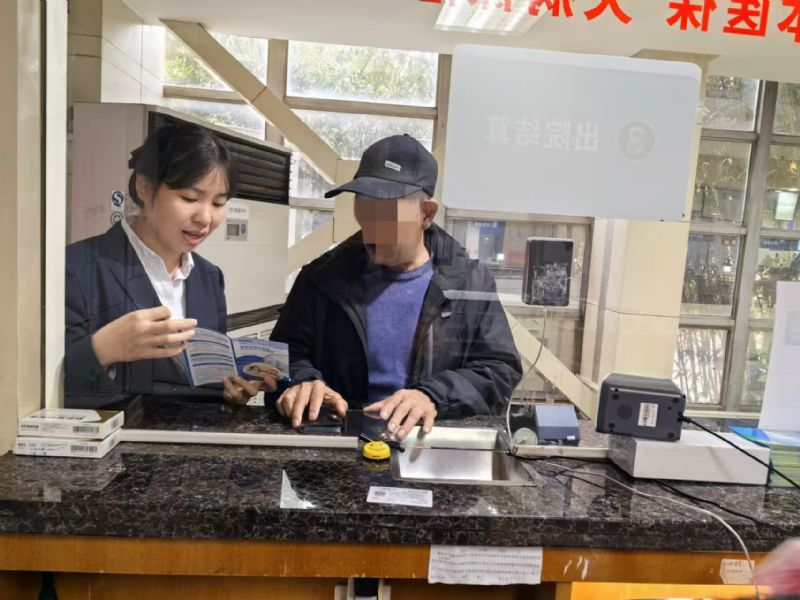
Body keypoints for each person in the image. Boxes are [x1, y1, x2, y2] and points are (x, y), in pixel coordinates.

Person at [270, 134, 522, 440]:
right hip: (340, 440)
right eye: (365, 207)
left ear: (426, 213)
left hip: (428, 441)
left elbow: (499, 370)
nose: (373, 228)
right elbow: (283, 356)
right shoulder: (322, 279)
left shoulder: (469, 282)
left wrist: (433, 395)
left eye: (388, 212)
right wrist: (302, 381)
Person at [65, 123, 263, 406]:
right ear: (145, 187)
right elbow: (42, 385)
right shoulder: (77, 268)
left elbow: (203, 381)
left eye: (219, 203)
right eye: (190, 198)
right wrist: (102, 349)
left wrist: (229, 392)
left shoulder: (209, 276)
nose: (205, 218)